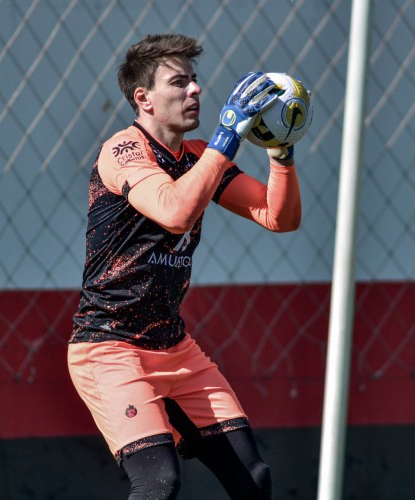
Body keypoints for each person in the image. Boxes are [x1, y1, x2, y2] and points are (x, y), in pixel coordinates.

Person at [67, 33, 302, 499]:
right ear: (144, 98)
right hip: (110, 349)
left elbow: (280, 216)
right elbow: (175, 210)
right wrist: (228, 134)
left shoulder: (196, 157)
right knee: (159, 485)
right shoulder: (122, 151)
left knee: (253, 480)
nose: (195, 90)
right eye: (179, 83)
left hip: (173, 347)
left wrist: (281, 153)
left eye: (195, 81)